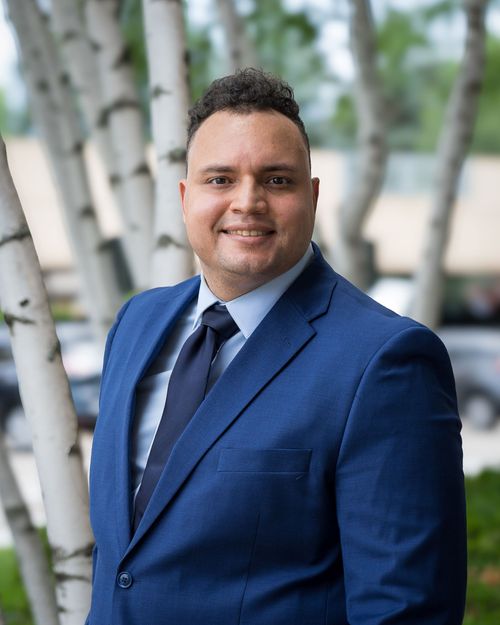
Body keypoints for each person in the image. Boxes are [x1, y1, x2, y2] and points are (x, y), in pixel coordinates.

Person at [86, 68, 466, 625]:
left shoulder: (386, 361)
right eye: (220, 179)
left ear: (312, 196)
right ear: (186, 198)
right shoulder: (136, 324)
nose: (248, 202)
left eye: (277, 180)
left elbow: (404, 610)